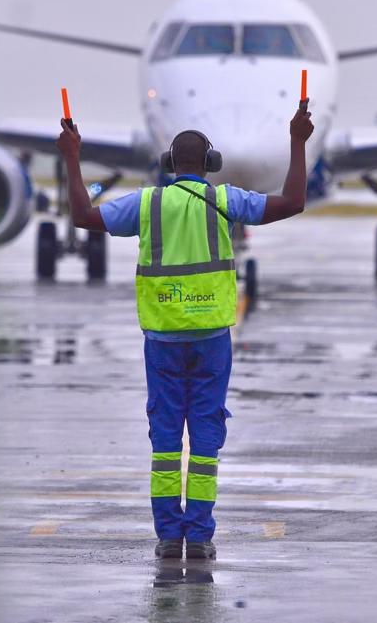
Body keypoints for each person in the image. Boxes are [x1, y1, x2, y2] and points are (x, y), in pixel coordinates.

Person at [57, 101, 314, 560]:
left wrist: (71, 158)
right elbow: (293, 202)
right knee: (205, 439)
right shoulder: (225, 200)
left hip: (162, 341)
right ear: (211, 164)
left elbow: (82, 216)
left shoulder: (147, 203)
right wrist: (297, 140)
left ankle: (167, 537)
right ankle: (199, 537)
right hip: (212, 341)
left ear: (169, 165)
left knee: (165, 441)